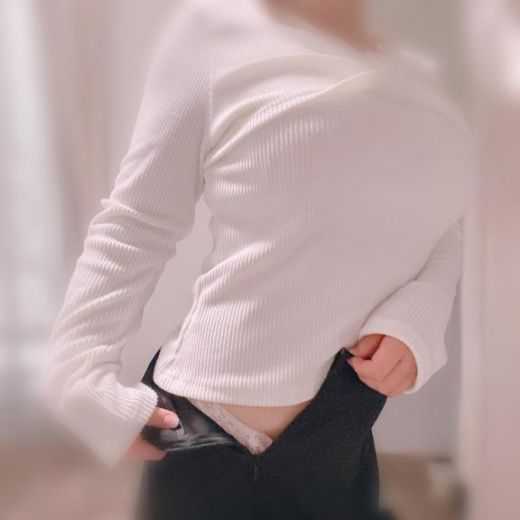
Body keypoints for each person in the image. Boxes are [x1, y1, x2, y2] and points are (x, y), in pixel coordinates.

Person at [44, 0, 478, 518]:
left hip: (344, 432)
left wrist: (418, 318)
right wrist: (76, 370)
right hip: (209, 439)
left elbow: (447, 224)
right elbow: (139, 219)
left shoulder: (424, 80)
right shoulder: (215, 31)